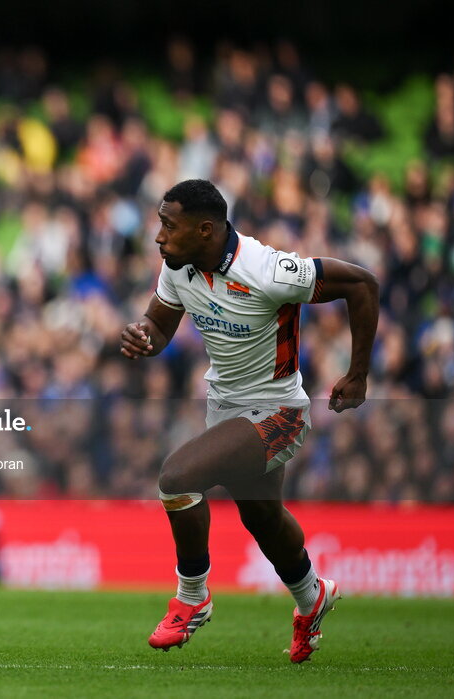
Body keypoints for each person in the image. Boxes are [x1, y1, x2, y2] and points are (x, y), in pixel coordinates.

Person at [120, 179, 378, 663]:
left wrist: (358, 373)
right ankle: (312, 596)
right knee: (261, 517)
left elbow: (362, 284)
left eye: (168, 227)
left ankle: (192, 595)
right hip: (225, 406)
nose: (158, 237)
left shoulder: (267, 269)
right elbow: (159, 324)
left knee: (177, 478)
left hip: (278, 410)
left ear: (204, 230)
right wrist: (144, 337)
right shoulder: (179, 266)